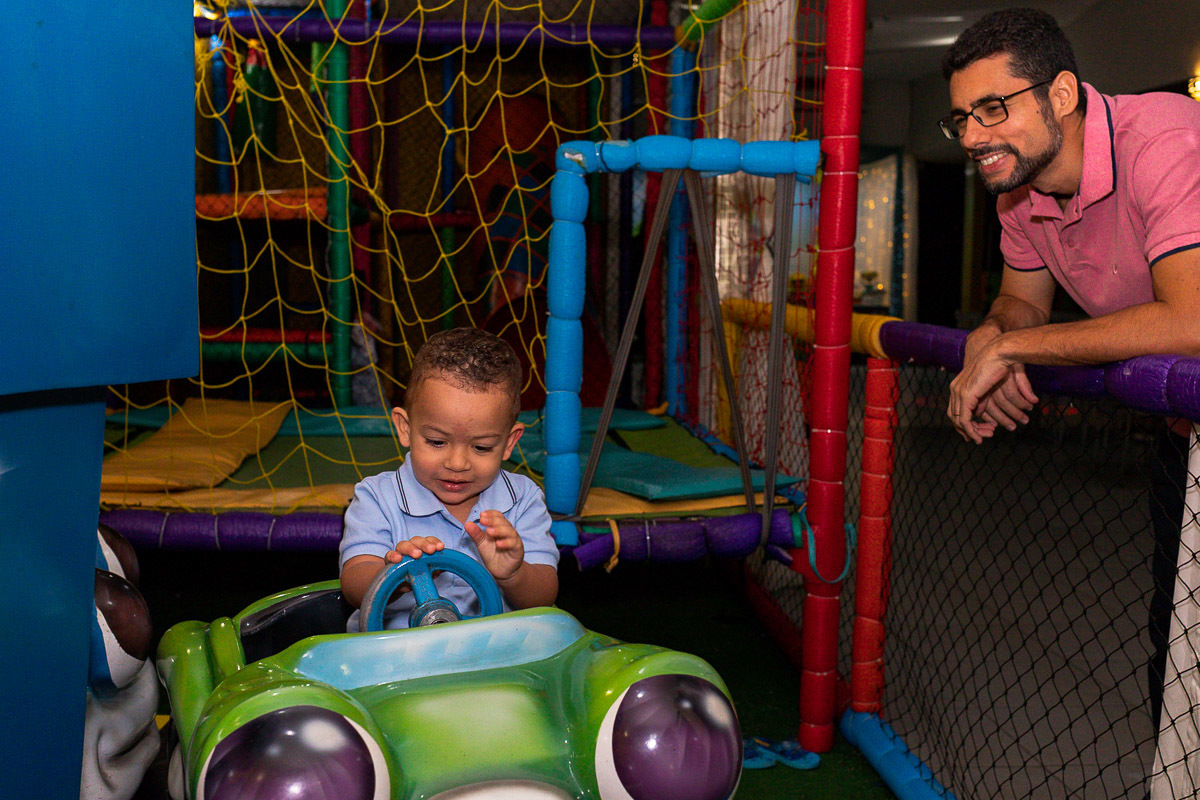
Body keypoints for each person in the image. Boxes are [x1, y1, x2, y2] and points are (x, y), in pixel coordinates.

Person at [939, 8, 1200, 730]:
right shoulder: (1018, 191)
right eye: (961, 118)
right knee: (1175, 655)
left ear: (1060, 94)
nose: (973, 136)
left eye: (993, 108)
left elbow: (1191, 324)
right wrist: (990, 335)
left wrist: (1013, 350)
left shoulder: (1165, 139)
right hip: (1184, 431)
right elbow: (1022, 303)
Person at [339, 327, 558, 629]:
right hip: (395, 652)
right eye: (437, 442)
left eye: (481, 447)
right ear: (405, 428)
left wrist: (514, 574)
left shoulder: (523, 499)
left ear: (509, 442)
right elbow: (353, 584)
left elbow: (544, 596)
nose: (457, 464)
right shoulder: (377, 496)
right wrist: (397, 574)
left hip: (494, 651)